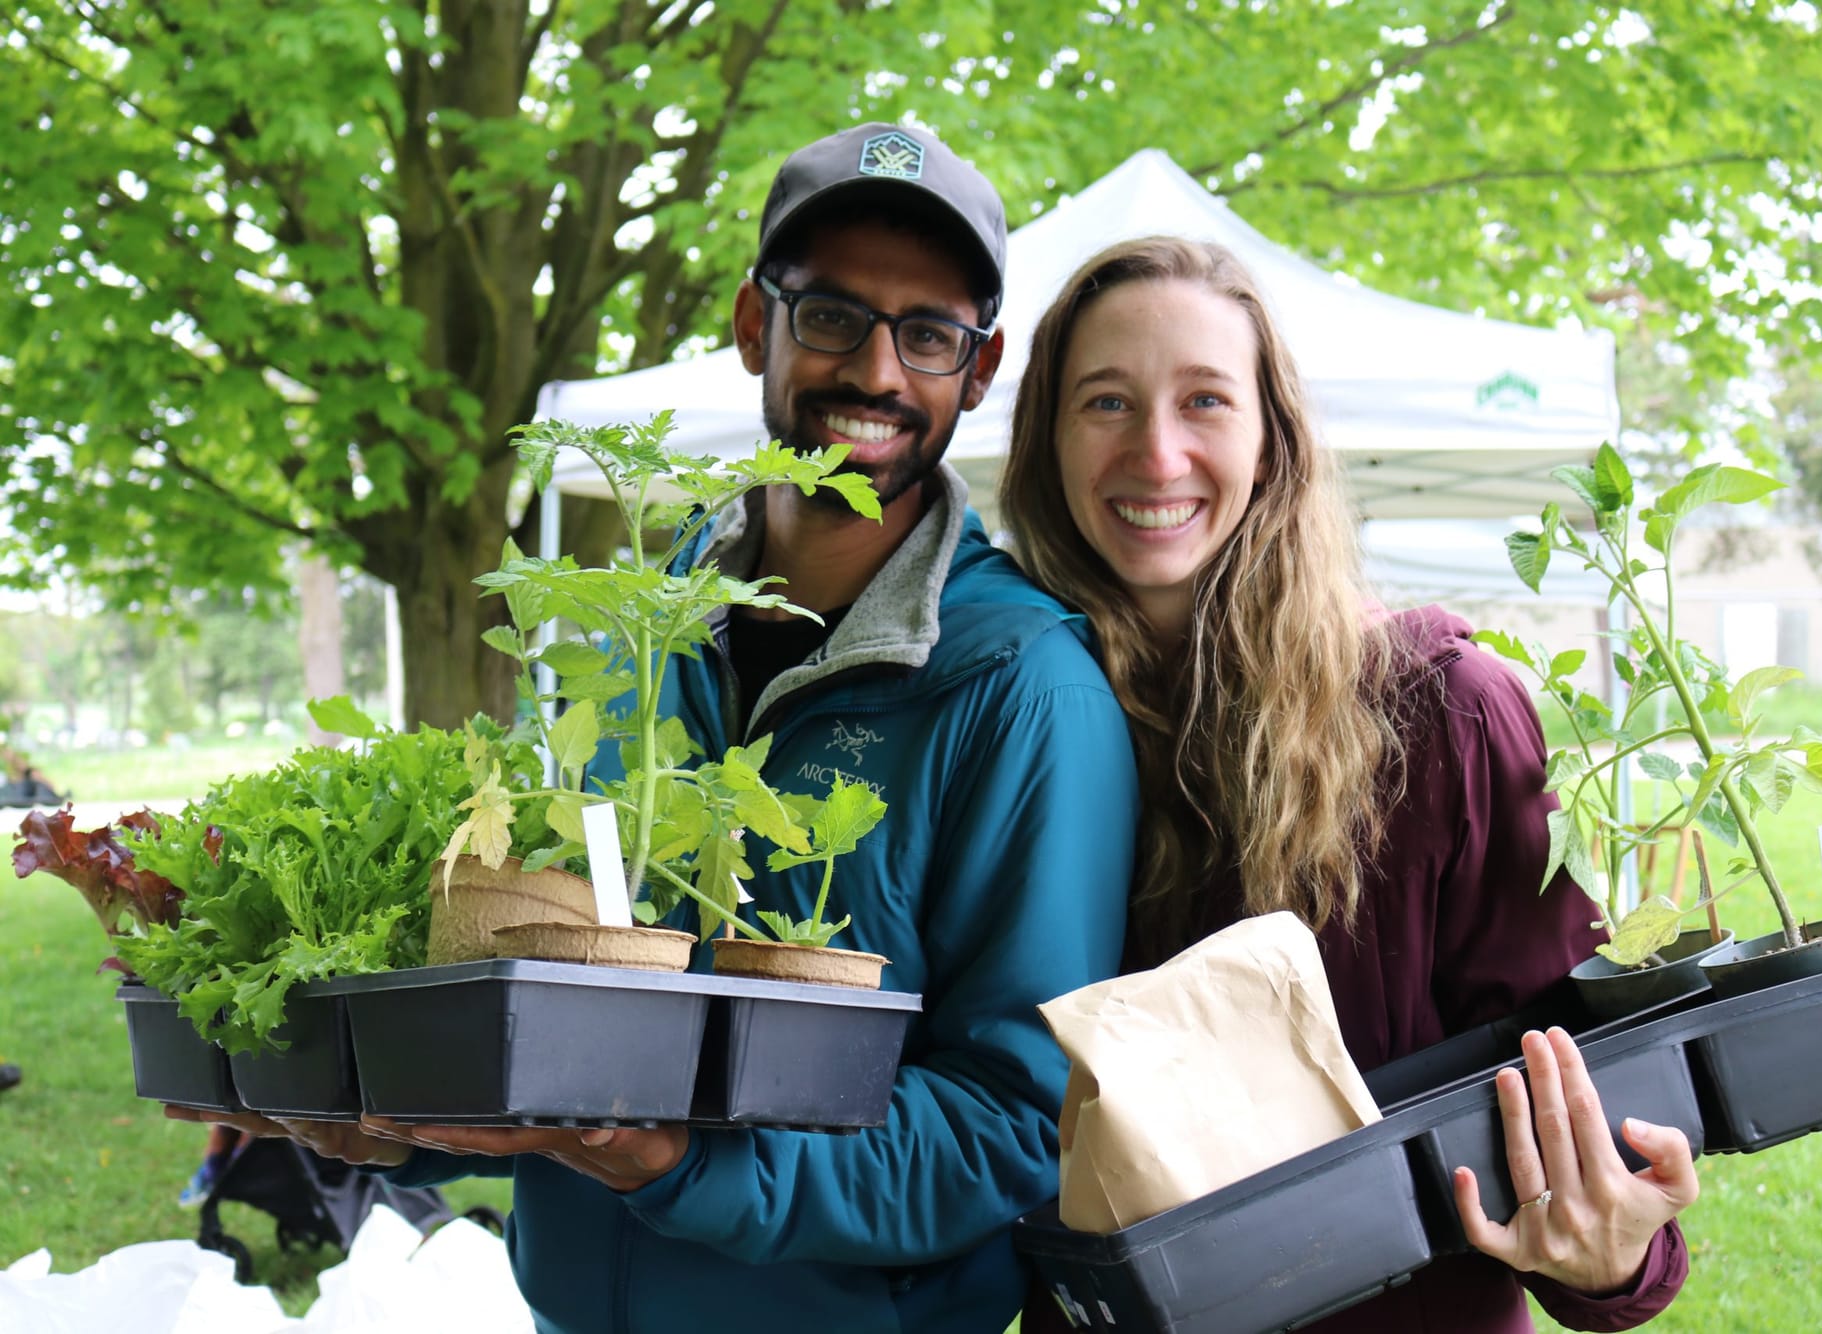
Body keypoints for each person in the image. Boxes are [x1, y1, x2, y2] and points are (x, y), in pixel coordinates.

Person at [170, 122, 1138, 1333]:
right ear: (753, 326)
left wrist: (687, 1165)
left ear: (977, 370)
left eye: (928, 333)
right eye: (831, 315)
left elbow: (1011, 1124)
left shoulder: (1020, 688)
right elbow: (545, 1024)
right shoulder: (635, 633)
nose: (878, 373)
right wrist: (369, 1109)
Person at [1000, 237, 1697, 1333]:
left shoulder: (1441, 713)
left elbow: (1575, 1096)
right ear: (1045, 443)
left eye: (1205, 401)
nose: (1157, 450)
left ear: (1274, 440)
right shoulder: (1015, 720)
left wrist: (1608, 1255)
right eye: (1104, 402)